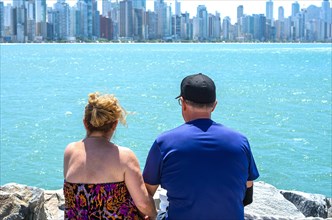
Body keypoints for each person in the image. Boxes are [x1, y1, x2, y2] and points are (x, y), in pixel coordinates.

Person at [143, 73, 260, 220]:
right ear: (214, 105)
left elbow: (146, 193)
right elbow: (247, 194)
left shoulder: (164, 142)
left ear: (183, 103)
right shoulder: (240, 141)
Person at [63, 92, 157, 220]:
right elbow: (143, 204)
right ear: (115, 124)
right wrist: (154, 215)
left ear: (85, 123)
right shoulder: (125, 157)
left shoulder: (70, 151)